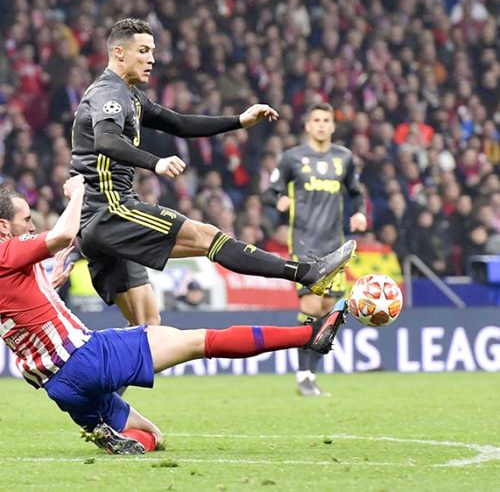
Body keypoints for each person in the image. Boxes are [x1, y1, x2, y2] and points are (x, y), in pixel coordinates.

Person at [0, 177, 348, 455]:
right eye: (26, 220)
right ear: (3, 226)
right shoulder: (5, 250)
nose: (31, 226)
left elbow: (16, 309)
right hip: (85, 357)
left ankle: (119, 440)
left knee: (151, 435)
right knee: (201, 341)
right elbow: (62, 235)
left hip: (58, 386)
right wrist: (77, 192)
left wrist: (49, 285)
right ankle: (309, 336)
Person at [70, 18, 356, 326]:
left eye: (152, 51)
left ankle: (94, 362)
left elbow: (179, 123)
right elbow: (106, 140)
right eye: (143, 51)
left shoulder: (131, 96)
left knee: (147, 326)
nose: (151, 59)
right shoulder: (109, 92)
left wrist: (239, 121)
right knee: (208, 237)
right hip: (111, 210)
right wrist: (156, 162)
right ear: (119, 52)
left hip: (96, 222)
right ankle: (307, 273)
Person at [265, 103, 367, 396]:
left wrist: (360, 212)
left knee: (328, 310)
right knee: (310, 306)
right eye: (316, 120)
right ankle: (303, 375)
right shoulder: (292, 158)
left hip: (335, 245)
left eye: (326, 120)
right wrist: (279, 200)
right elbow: (269, 191)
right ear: (308, 126)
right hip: (304, 243)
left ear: (332, 126)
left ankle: (310, 373)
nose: (321, 124)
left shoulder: (344, 158)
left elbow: (356, 192)